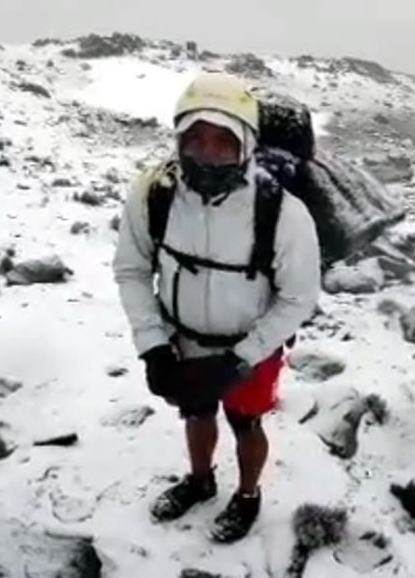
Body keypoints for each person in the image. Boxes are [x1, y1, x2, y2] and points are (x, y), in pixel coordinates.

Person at [112, 72, 321, 544]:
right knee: (196, 412)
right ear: (179, 141)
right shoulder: (154, 193)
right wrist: (154, 348)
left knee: (246, 422)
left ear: (246, 144)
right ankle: (201, 480)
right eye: (195, 140)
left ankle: (248, 496)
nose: (206, 153)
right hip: (180, 341)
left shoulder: (283, 213)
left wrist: (240, 359)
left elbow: (297, 298)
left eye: (222, 141)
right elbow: (132, 269)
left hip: (252, 349)